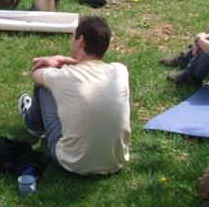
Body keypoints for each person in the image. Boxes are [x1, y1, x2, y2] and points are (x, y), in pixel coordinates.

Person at [16, 16, 131, 176]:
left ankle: (34, 124)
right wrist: (68, 60)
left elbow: (36, 72)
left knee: (43, 86)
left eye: (73, 36)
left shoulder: (64, 76)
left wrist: (58, 59)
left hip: (72, 162)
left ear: (80, 41)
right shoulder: (120, 71)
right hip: (116, 162)